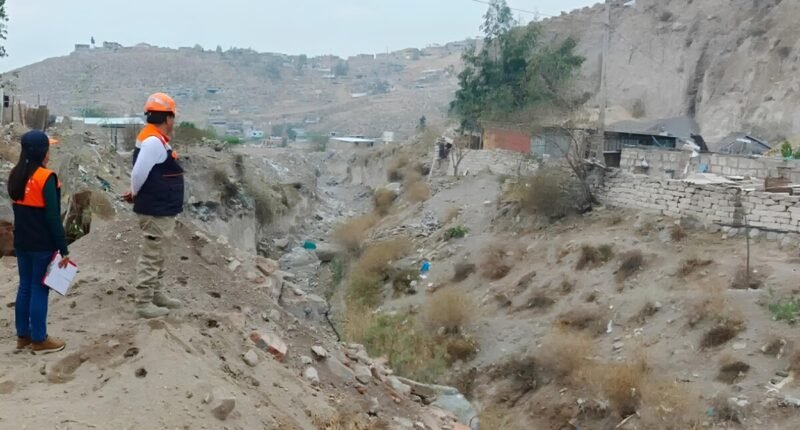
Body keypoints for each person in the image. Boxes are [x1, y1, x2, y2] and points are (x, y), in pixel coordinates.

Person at [122, 93, 185, 319]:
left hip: (161, 209)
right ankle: (144, 302)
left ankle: (157, 294)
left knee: (159, 253)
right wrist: (135, 192)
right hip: (155, 210)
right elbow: (139, 172)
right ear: (168, 118)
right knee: (152, 255)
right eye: (173, 118)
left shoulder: (153, 139)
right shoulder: (153, 142)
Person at [8, 130, 69, 354]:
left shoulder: (15, 175)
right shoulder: (46, 178)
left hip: (22, 243)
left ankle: (22, 336)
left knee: (24, 287)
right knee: (39, 289)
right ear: (43, 152)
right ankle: (40, 339)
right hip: (42, 245)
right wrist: (64, 249)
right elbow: (53, 218)